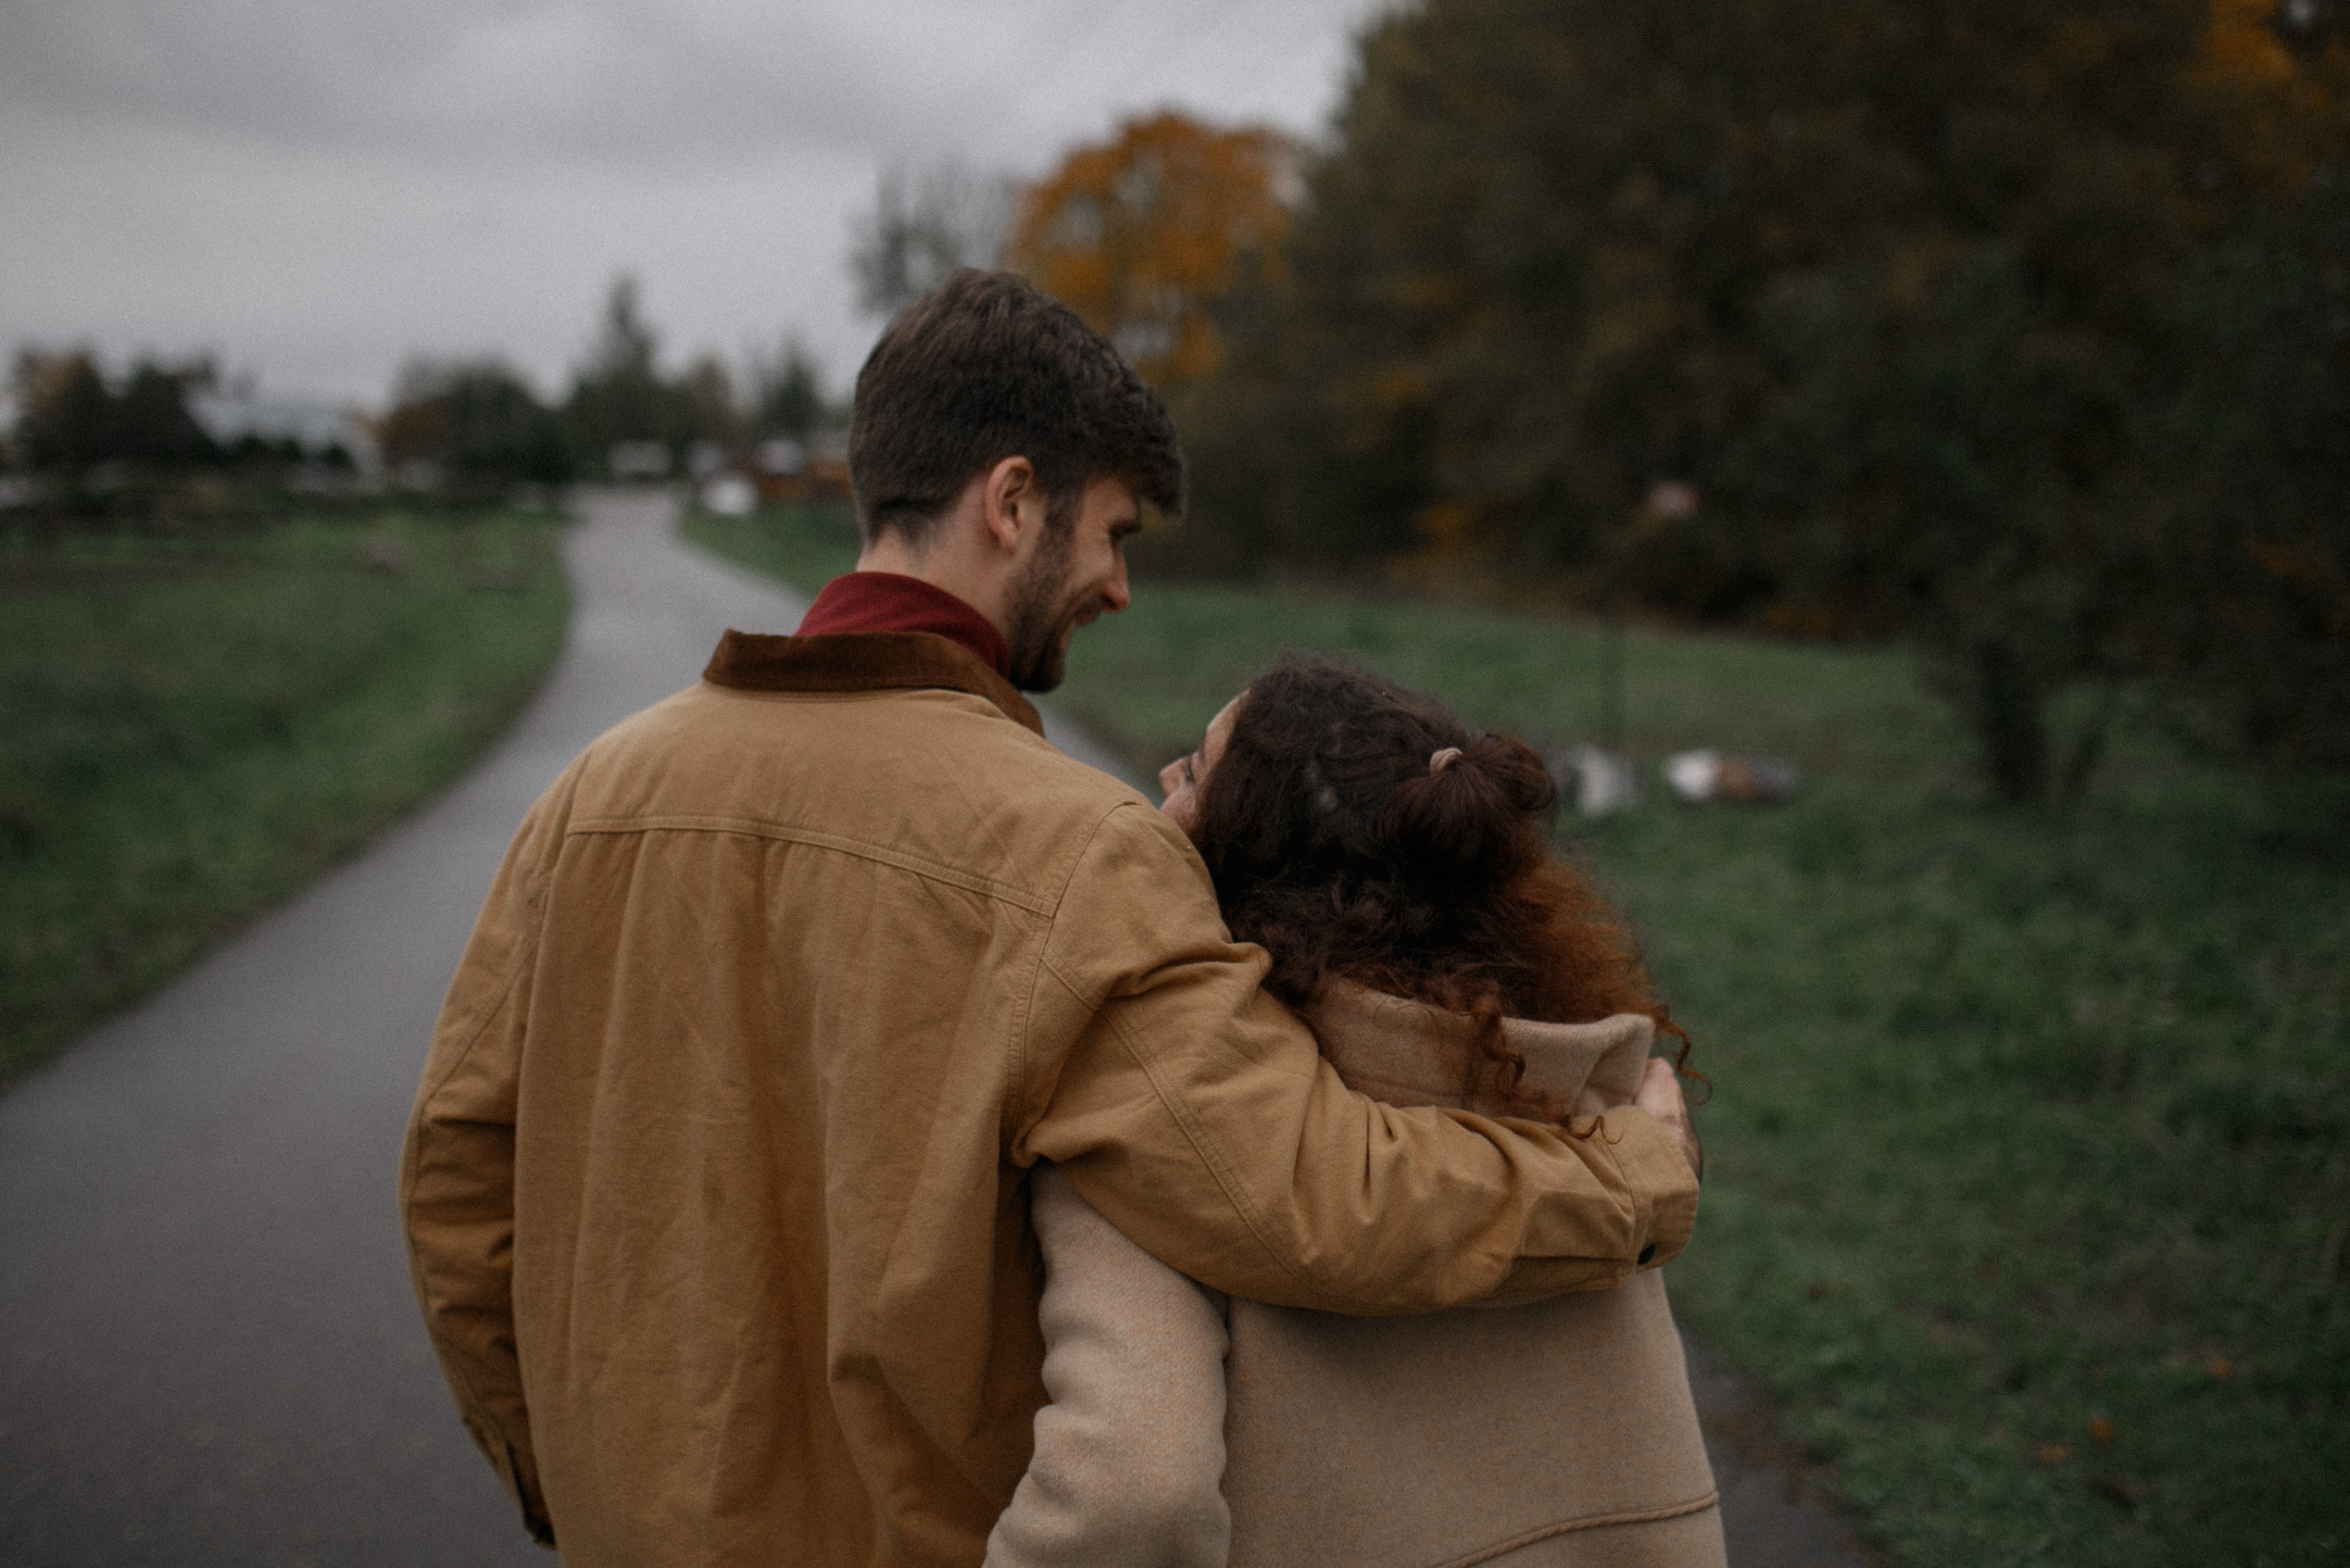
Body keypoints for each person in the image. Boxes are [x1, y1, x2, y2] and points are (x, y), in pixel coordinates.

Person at [399, 271, 1703, 1567]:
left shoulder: (590, 798)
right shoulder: (1073, 853)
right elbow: (1303, 1186)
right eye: (1113, 532)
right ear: (1014, 500)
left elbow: (459, 1185)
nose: (1118, 586)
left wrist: (563, 1477)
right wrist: (1624, 1176)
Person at [986, 661, 1723, 1568]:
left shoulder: (1169, 1117)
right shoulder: (1575, 1087)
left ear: (1240, 851)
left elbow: (1133, 1490)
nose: (1163, 779)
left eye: (1194, 768)